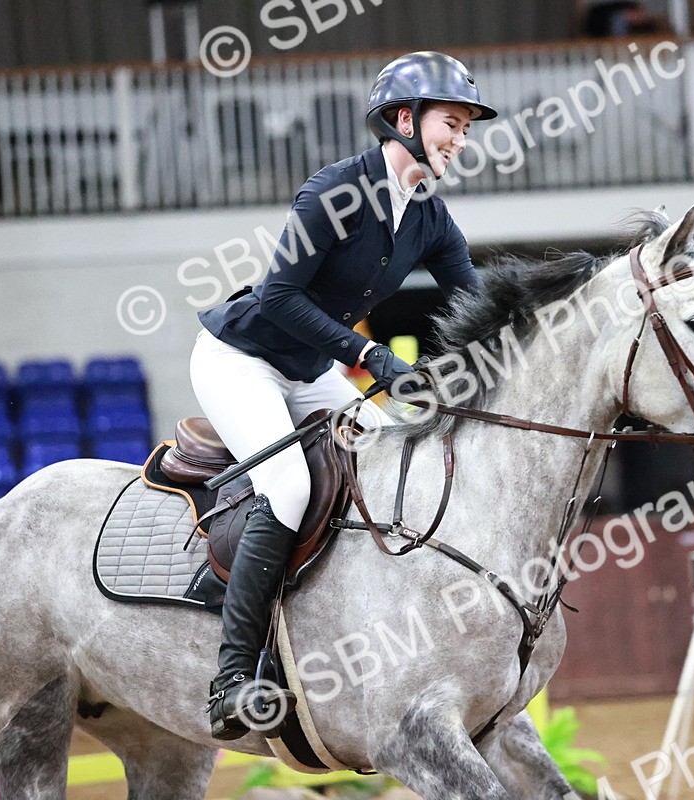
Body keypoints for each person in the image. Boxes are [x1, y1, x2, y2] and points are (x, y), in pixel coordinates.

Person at [192, 51, 497, 741]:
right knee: (291, 490)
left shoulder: (431, 219)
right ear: (403, 119)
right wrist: (368, 354)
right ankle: (234, 676)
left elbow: (479, 307)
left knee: (385, 461)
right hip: (241, 359)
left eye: (466, 128)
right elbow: (277, 297)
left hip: (306, 370)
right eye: (453, 123)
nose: (461, 139)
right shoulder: (333, 191)